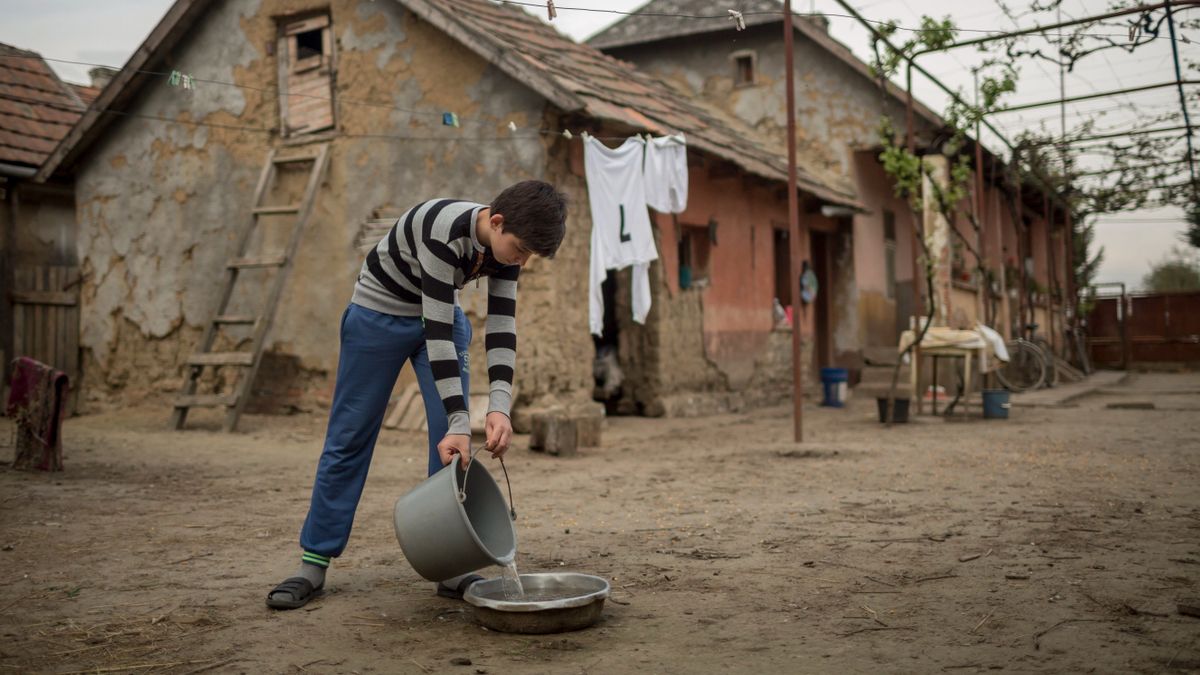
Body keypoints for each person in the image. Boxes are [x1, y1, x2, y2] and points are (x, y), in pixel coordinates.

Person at [266, 180, 568, 609]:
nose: (521, 260)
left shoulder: (507, 247)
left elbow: (502, 327)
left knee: (451, 441)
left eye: (529, 256)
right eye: (520, 249)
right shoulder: (442, 229)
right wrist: (464, 421)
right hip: (377, 318)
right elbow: (438, 333)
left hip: (440, 319)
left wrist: (499, 407)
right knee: (350, 436)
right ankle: (313, 563)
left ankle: (450, 565)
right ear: (496, 222)